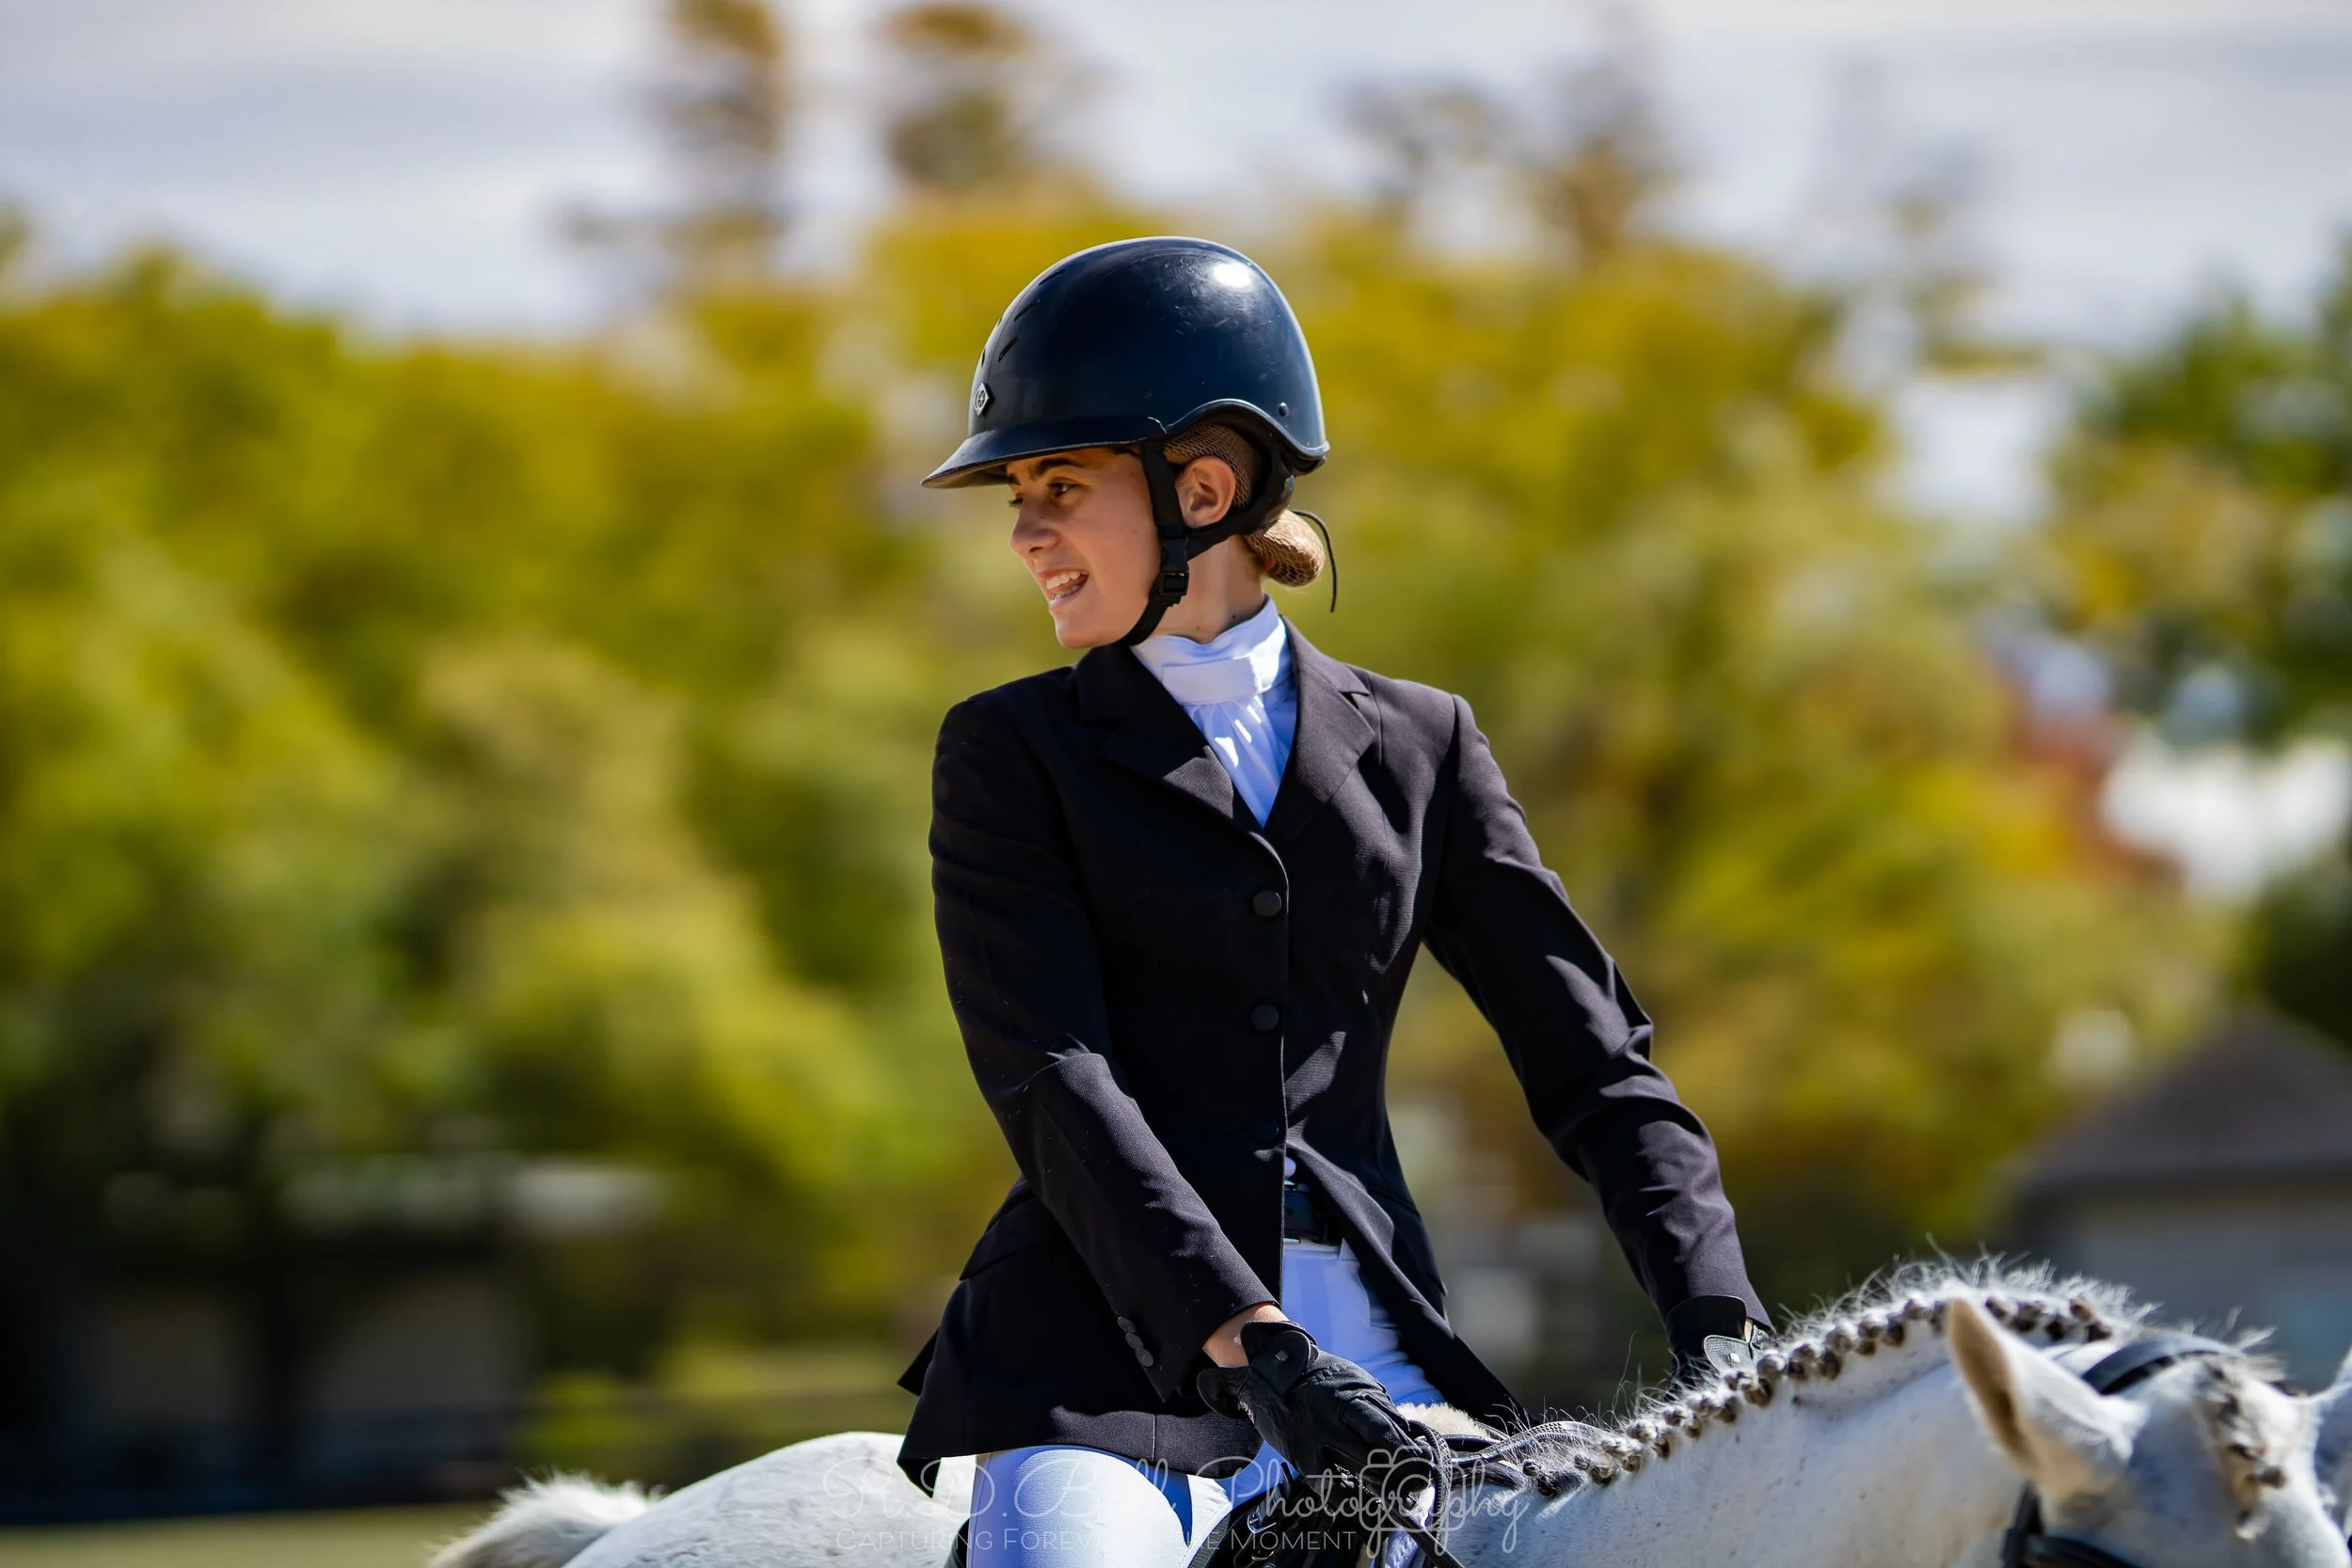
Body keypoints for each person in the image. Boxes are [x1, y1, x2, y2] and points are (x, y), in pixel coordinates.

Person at [895, 236, 1770, 1568]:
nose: (1025, 535)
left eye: (1057, 487)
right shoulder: (1010, 753)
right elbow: (1053, 1074)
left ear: (1200, 487)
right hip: (1102, 1372)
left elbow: (1596, 1065)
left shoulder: (1423, 745)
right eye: (1018, 495)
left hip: (1380, 1357)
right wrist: (1247, 1339)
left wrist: (1721, 1318)